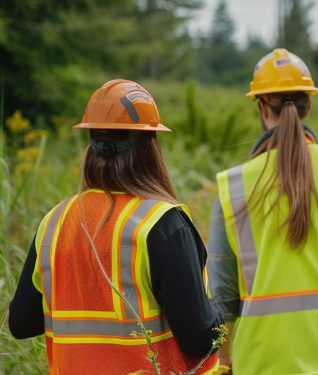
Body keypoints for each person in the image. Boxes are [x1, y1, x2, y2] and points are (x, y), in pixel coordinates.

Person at [8, 79, 222, 374]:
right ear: (150, 148)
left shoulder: (55, 223)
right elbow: (200, 339)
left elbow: (21, 323)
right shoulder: (161, 223)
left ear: (92, 145)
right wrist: (218, 312)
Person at [207, 48, 318, 375]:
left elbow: (222, 295)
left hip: (259, 361)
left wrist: (224, 358)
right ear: (309, 105)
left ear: (262, 107)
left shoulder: (232, 186)